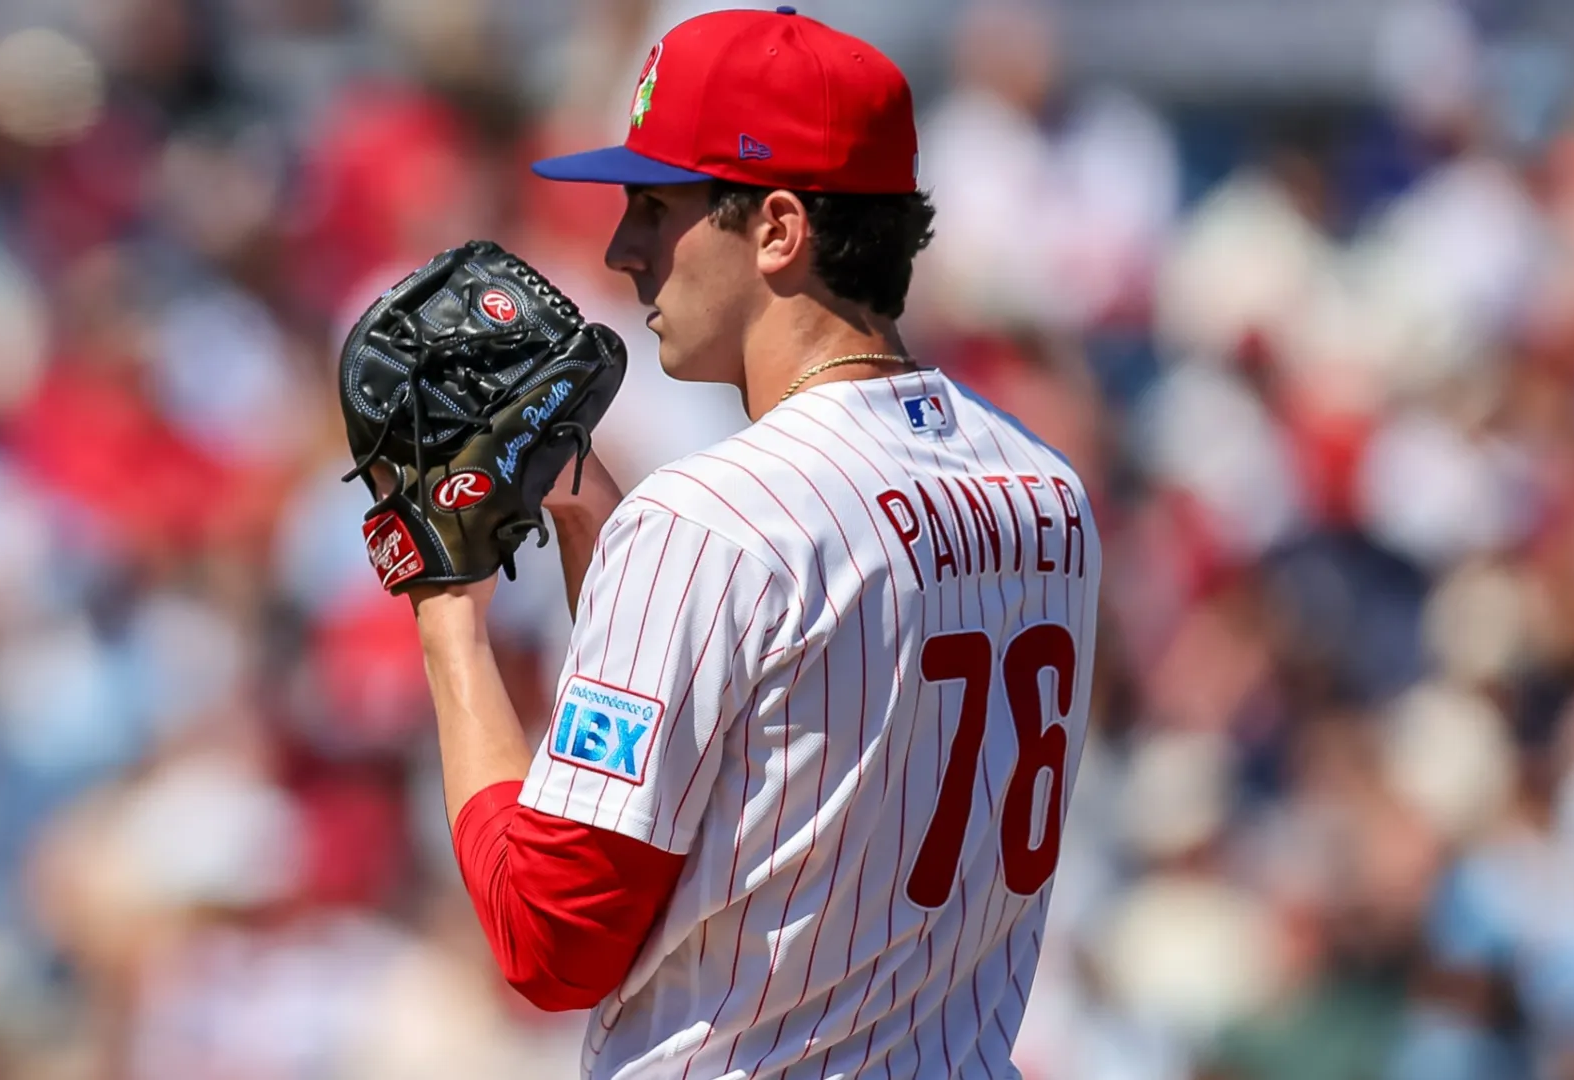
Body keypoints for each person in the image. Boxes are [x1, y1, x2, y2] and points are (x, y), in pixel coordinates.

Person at [405, 8, 1101, 1078]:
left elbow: (552, 938)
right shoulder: (1046, 492)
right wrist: (598, 533)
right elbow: (770, 761)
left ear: (778, 228)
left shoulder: (710, 519)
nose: (622, 251)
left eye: (656, 208)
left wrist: (447, 616)